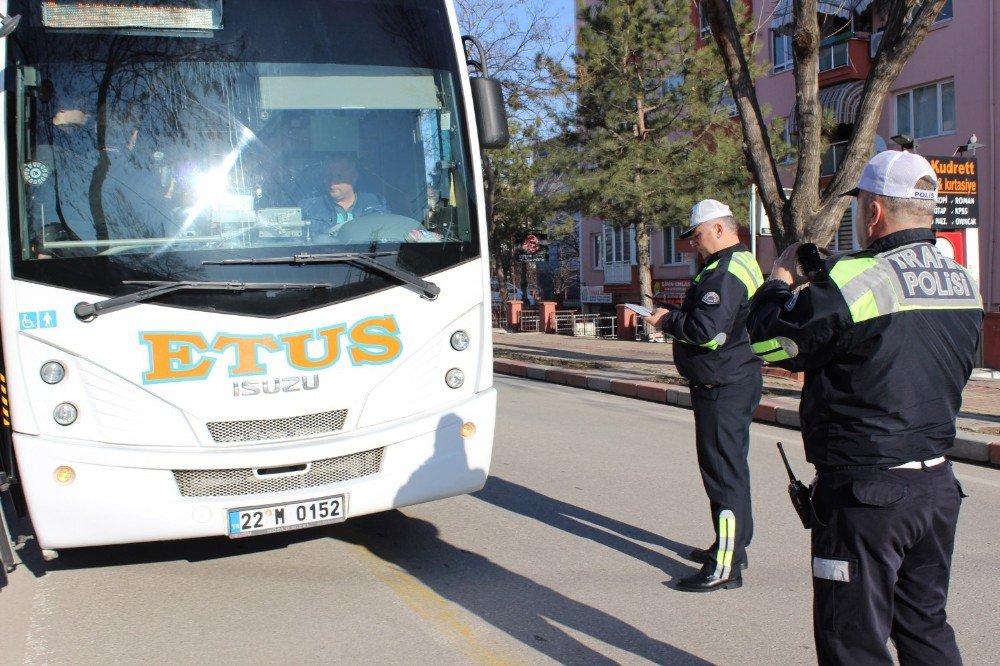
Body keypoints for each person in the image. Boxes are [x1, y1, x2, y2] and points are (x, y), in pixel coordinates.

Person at [746, 150, 982, 664]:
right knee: (924, 626)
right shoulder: (961, 281)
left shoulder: (856, 282)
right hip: (937, 486)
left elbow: (771, 342)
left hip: (867, 495)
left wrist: (780, 280)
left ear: (873, 212)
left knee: (852, 639)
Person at [643, 198, 764, 592]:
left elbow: (708, 333)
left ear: (717, 228)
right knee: (731, 471)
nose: (694, 244)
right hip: (735, 379)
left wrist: (667, 321)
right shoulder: (738, 262)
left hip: (722, 385)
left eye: (696, 235)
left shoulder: (724, 272)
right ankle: (731, 546)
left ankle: (724, 567)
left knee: (723, 477)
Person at [299, 154, 386, 240]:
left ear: (354, 178)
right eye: (328, 176)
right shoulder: (308, 207)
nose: (332, 181)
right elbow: (296, 241)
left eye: (339, 176)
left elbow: (388, 234)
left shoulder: (376, 203)